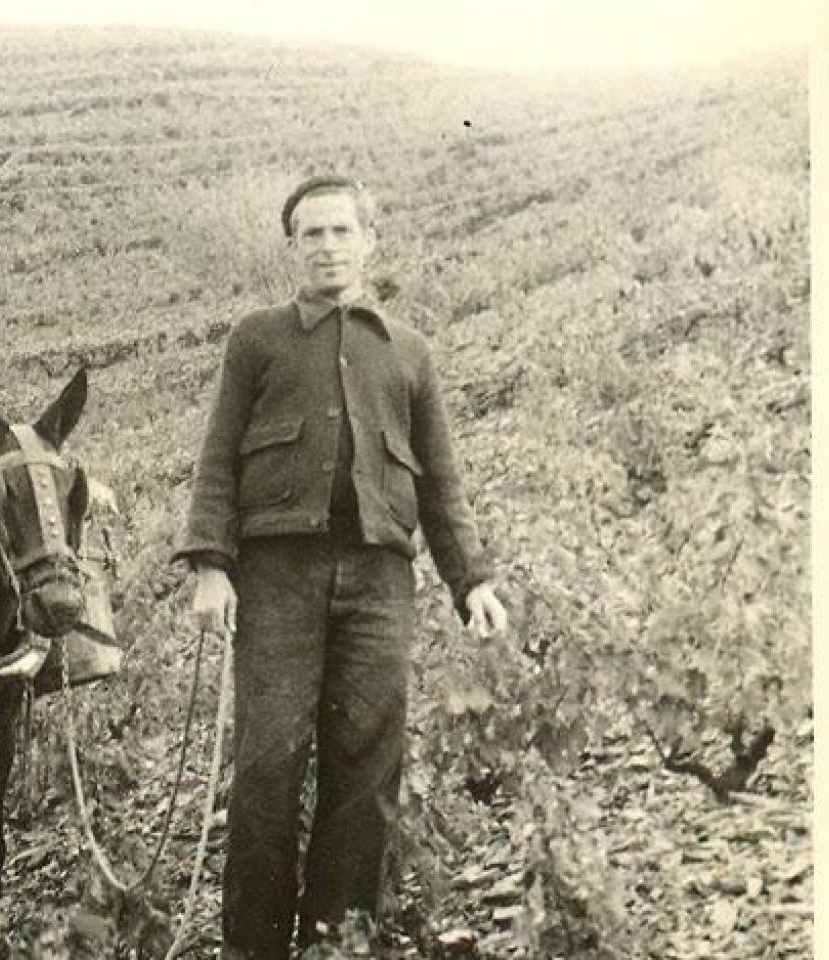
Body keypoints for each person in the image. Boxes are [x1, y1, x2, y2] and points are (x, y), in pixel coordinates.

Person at [176, 176, 510, 959]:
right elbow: (218, 456)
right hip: (278, 579)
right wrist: (210, 567)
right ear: (293, 248)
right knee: (269, 765)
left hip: (378, 581)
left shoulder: (410, 352)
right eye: (311, 235)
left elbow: (442, 480)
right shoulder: (256, 339)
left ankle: (338, 943)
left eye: (341, 231)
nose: (328, 246)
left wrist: (474, 581)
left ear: (369, 241)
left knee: (367, 771)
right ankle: (254, 949)